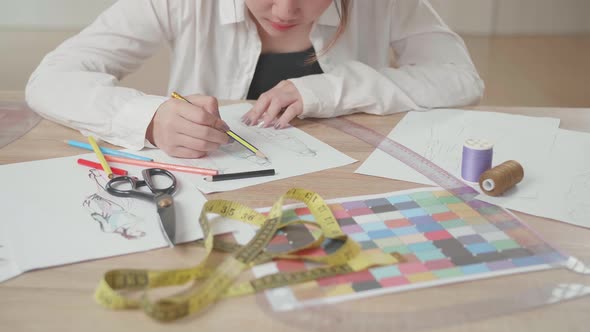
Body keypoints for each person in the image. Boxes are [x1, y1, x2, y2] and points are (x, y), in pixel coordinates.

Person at [26, 0, 484, 159]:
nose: (285, 13)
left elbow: (459, 78)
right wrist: (149, 117)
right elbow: (51, 80)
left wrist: (326, 89)